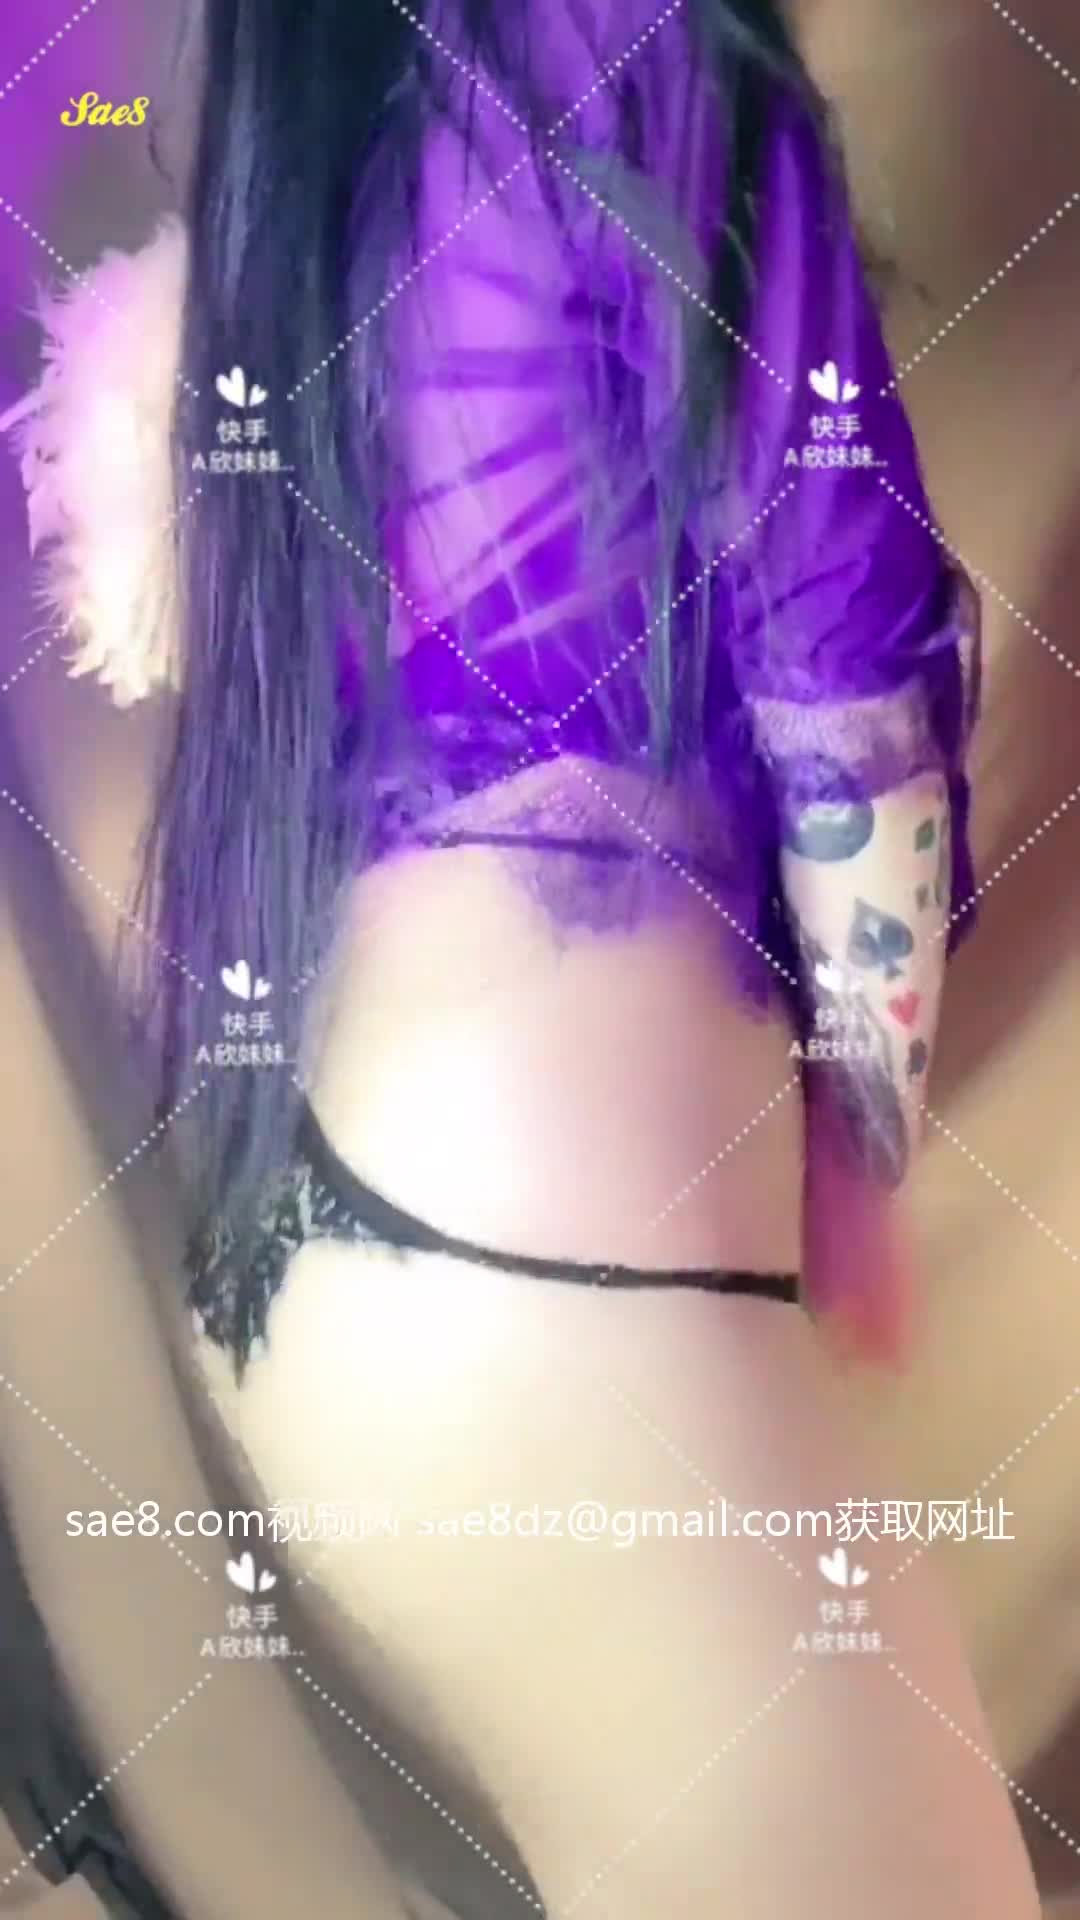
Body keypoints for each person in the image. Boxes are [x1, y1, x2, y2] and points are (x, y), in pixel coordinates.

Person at [1, 0, 1040, 1914]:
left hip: (318, 1293)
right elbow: (853, 664)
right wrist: (868, 1125)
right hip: (559, 1299)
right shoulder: (637, 35)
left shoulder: (280, 74)